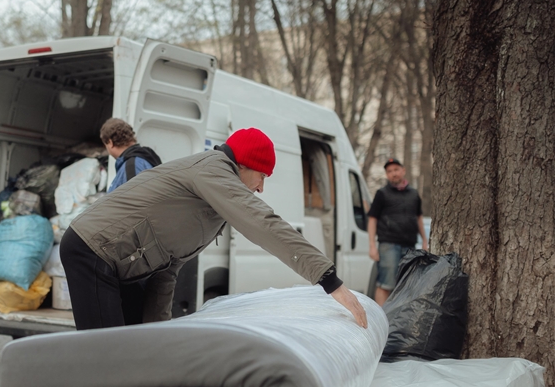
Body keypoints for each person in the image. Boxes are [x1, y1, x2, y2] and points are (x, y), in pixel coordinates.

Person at [60, 127, 368, 330]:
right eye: (262, 176)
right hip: (93, 249)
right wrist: (330, 281)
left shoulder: (212, 204)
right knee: (104, 351)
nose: (260, 188)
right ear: (244, 166)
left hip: (121, 263)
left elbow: (167, 270)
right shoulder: (212, 170)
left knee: (134, 344)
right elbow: (263, 223)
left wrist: (159, 331)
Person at [367, 158, 428, 306]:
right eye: (389, 171)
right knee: (385, 285)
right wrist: (372, 247)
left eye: (396, 169)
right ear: (387, 175)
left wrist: (425, 241)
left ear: (403, 171)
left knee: (407, 286)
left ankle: (399, 323)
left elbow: (419, 218)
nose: (393, 173)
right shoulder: (382, 193)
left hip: (410, 246)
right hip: (388, 245)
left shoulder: (414, 194)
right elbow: (372, 220)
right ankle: (381, 321)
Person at [101, 118, 162, 193]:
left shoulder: (131, 166)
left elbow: (137, 200)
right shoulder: (143, 158)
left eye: (105, 145)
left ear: (110, 143)